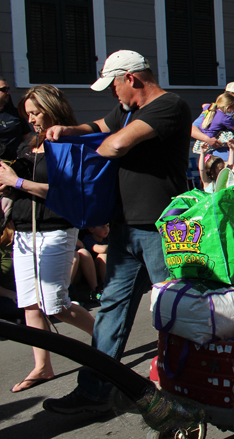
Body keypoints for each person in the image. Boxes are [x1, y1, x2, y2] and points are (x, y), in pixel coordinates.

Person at [43, 50, 192, 414]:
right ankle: (94, 390)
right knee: (111, 309)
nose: (113, 94)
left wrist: (96, 146)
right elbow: (101, 128)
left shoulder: (169, 105)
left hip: (164, 227)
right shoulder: (128, 111)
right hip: (127, 228)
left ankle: (188, 386)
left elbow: (117, 143)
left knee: (176, 311)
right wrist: (70, 131)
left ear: (132, 78)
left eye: (113, 86)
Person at [0, 86, 96, 393]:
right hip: (25, 231)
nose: (31, 120)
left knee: (54, 304)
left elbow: (63, 193)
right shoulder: (30, 143)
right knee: (29, 304)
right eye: (27, 114)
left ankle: (106, 340)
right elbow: (24, 186)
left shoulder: (68, 143)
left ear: (52, 109)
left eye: (35, 112)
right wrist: (8, 186)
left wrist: (16, 181)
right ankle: (43, 366)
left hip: (55, 229)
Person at [79, 224, 110, 302]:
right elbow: (102, 249)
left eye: (107, 226)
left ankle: (109, 286)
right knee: (103, 256)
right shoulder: (88, 240)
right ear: (91, 229)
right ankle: (104, 287)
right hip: (89, 273)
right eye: (103, 227)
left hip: (104, 270)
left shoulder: (106, 239)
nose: (106, 229)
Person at [0, 75, 27, 159]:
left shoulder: (15, 113)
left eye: (8, 89)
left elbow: (27, 138)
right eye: (4, 90)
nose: (8, 92)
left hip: (14, 163)